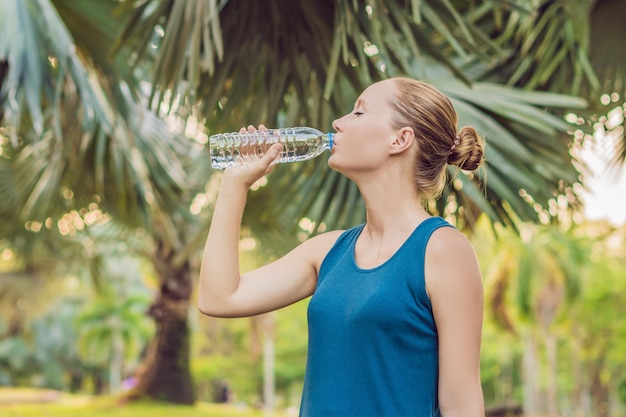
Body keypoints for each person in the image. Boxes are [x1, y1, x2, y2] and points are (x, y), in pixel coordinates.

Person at [198, 77, 485, 417]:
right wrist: (235, 183)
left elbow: (462, 405)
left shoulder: (443, 250)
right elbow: (218, 297)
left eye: (358, 113)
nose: (338, 123)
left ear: (400, 139)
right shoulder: (327, 252)